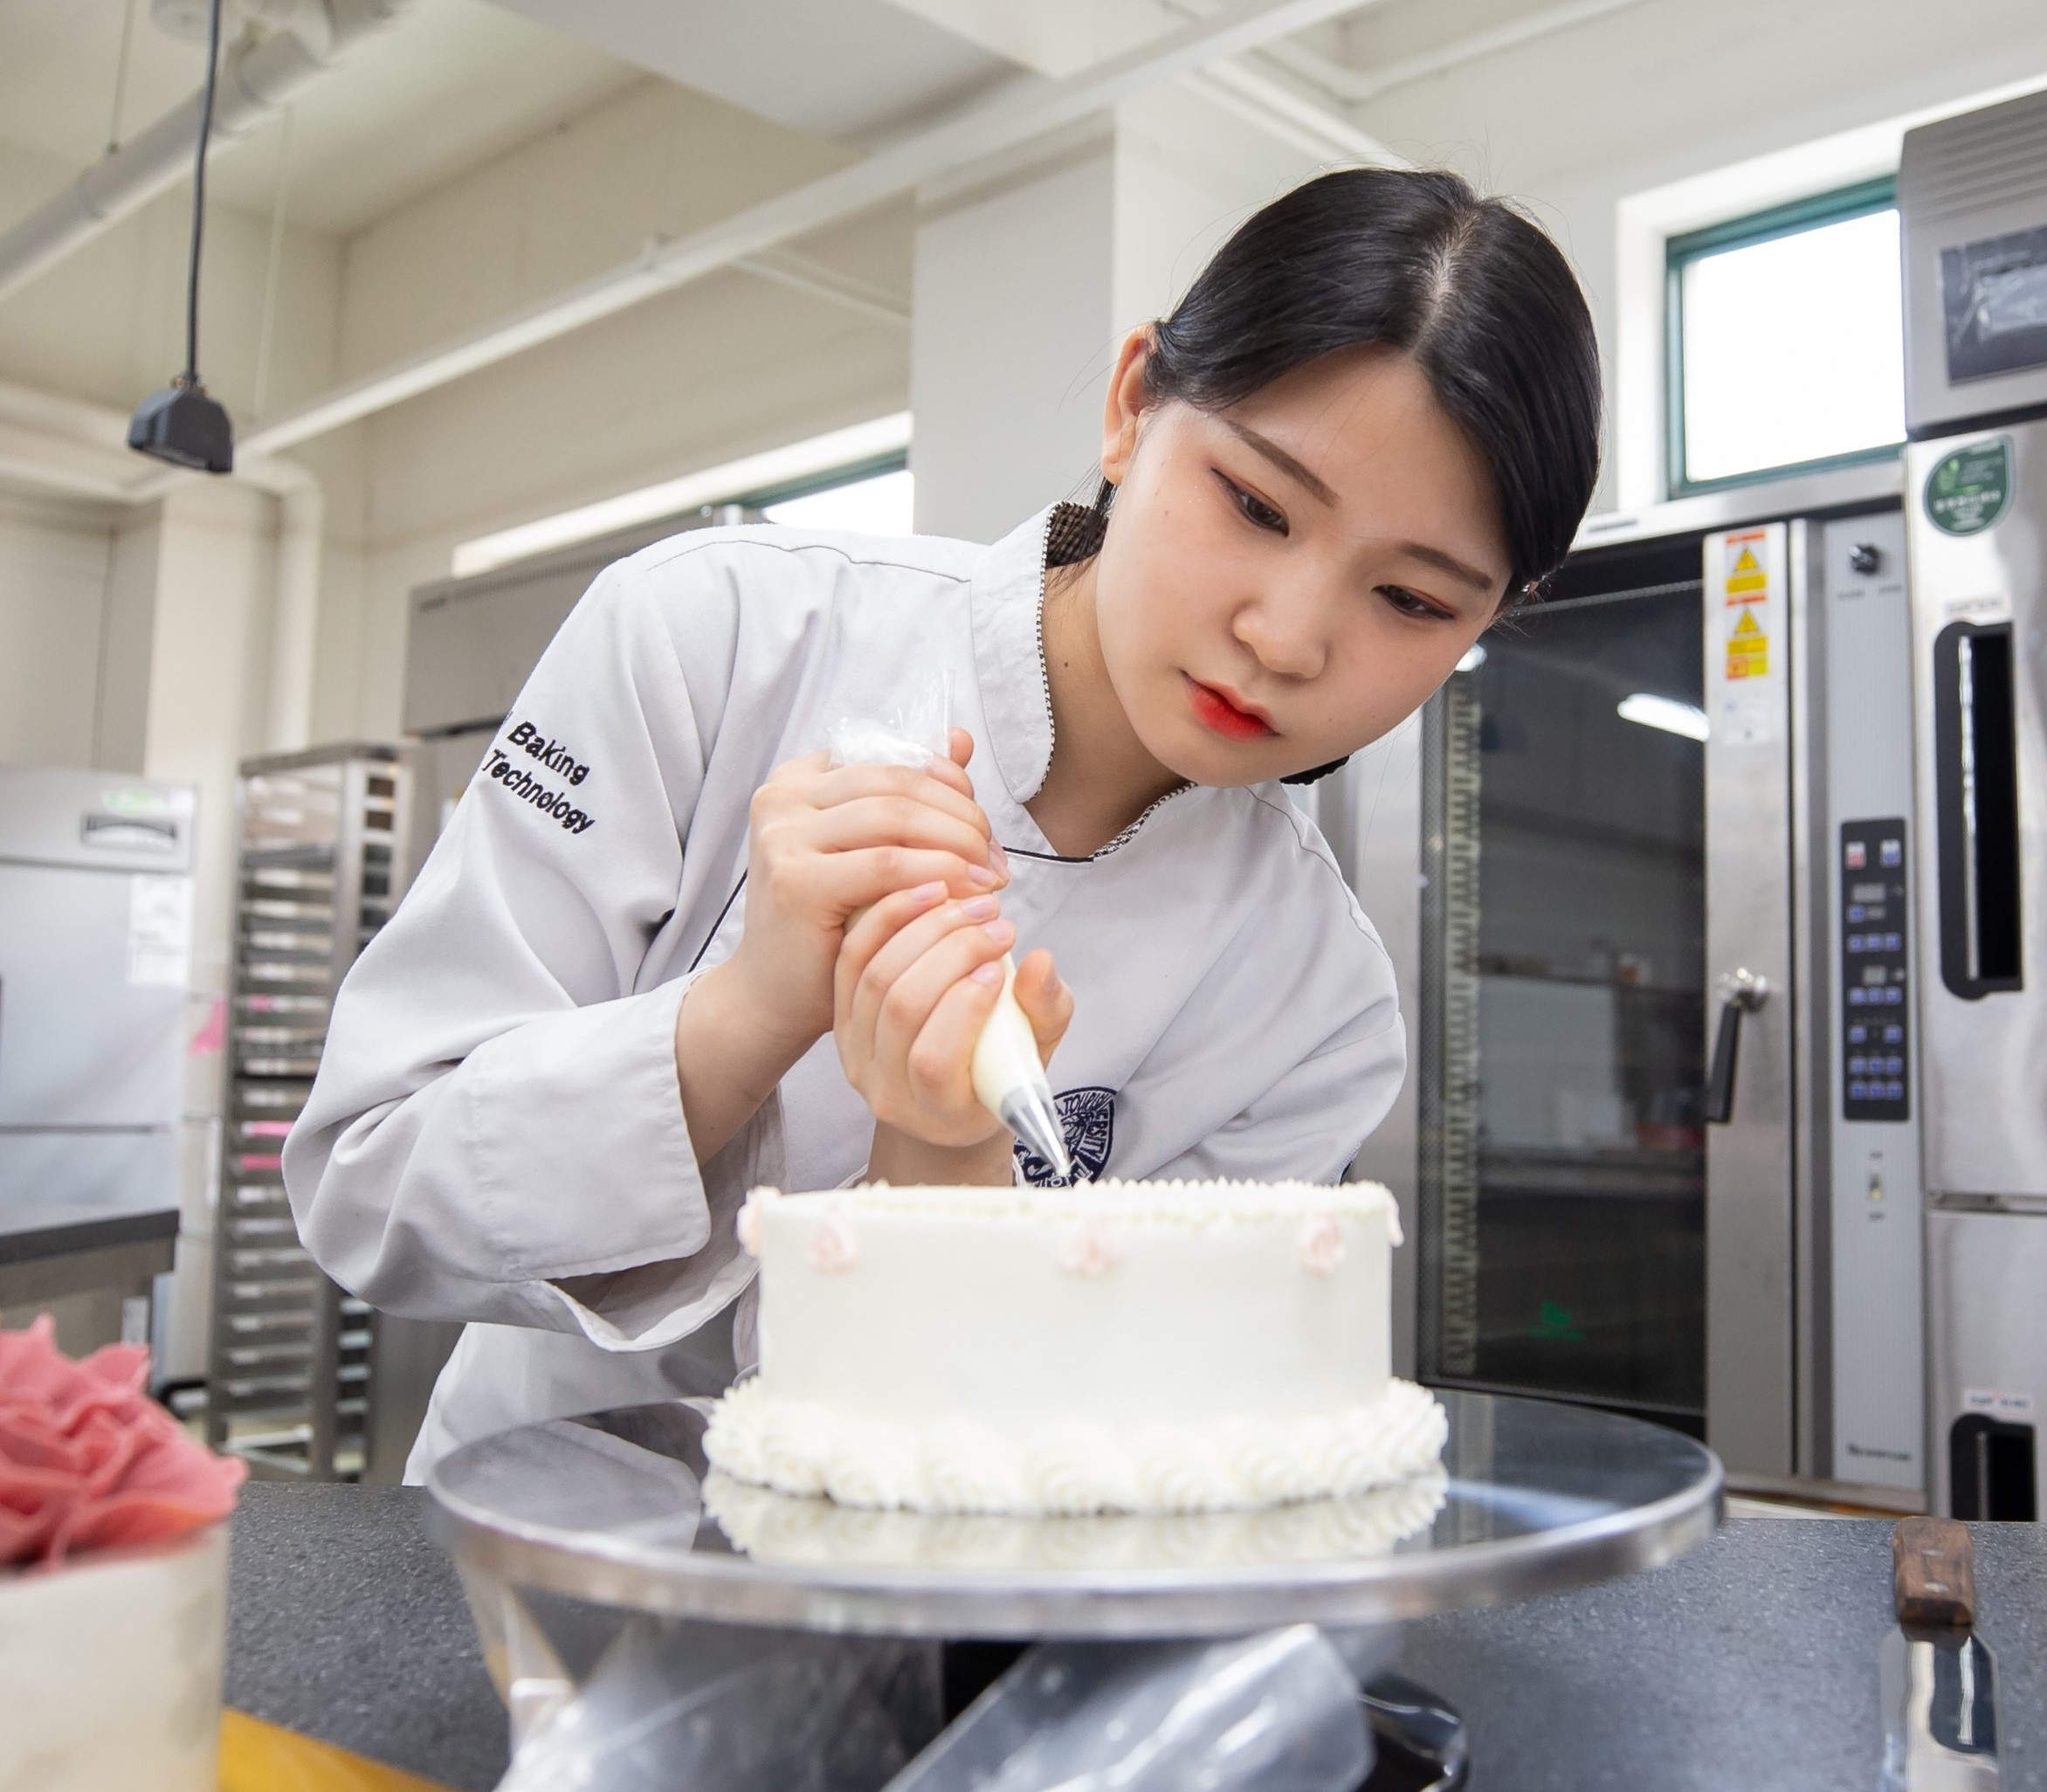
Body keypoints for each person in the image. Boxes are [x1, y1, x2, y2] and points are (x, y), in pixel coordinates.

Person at [285, 167, 1602, 1476]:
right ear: (1134, 406)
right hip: (537, 1564)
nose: (1289, 636)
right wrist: (743, 1016)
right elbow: (371, 1187)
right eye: (1256, 507)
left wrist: (947, 1153)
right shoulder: (721, 633)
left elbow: (1138, 1450)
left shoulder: (1312, 1009)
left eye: (1415, 603)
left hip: (967, 1636)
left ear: (1491, 618)